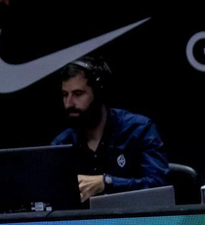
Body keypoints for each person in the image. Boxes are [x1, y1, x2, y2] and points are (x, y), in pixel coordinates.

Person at [51, 56, 168, 203]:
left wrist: (106, 183)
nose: (69, 103)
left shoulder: (139, 130)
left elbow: (159, 186)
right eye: (65, 95)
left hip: (136, 222)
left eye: (78, 94)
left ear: (99, 93)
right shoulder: (62, 144)